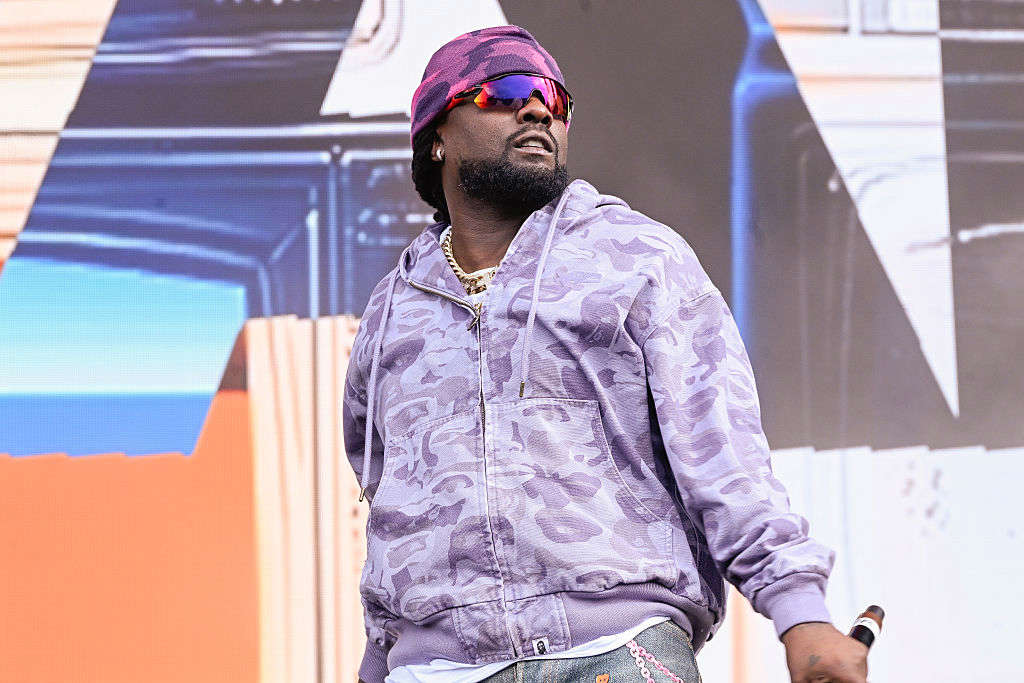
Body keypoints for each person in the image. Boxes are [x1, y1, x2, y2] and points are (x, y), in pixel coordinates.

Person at [344, 25, 868, 683]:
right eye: (506, 92)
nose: (537, 110)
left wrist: (800, 614)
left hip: (615, 649)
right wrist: (379, 662)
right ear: (436, 135)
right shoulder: (391, 313)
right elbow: (389, 506)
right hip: (436, 668)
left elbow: (722, 452)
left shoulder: (636, 258)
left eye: (554, 100)